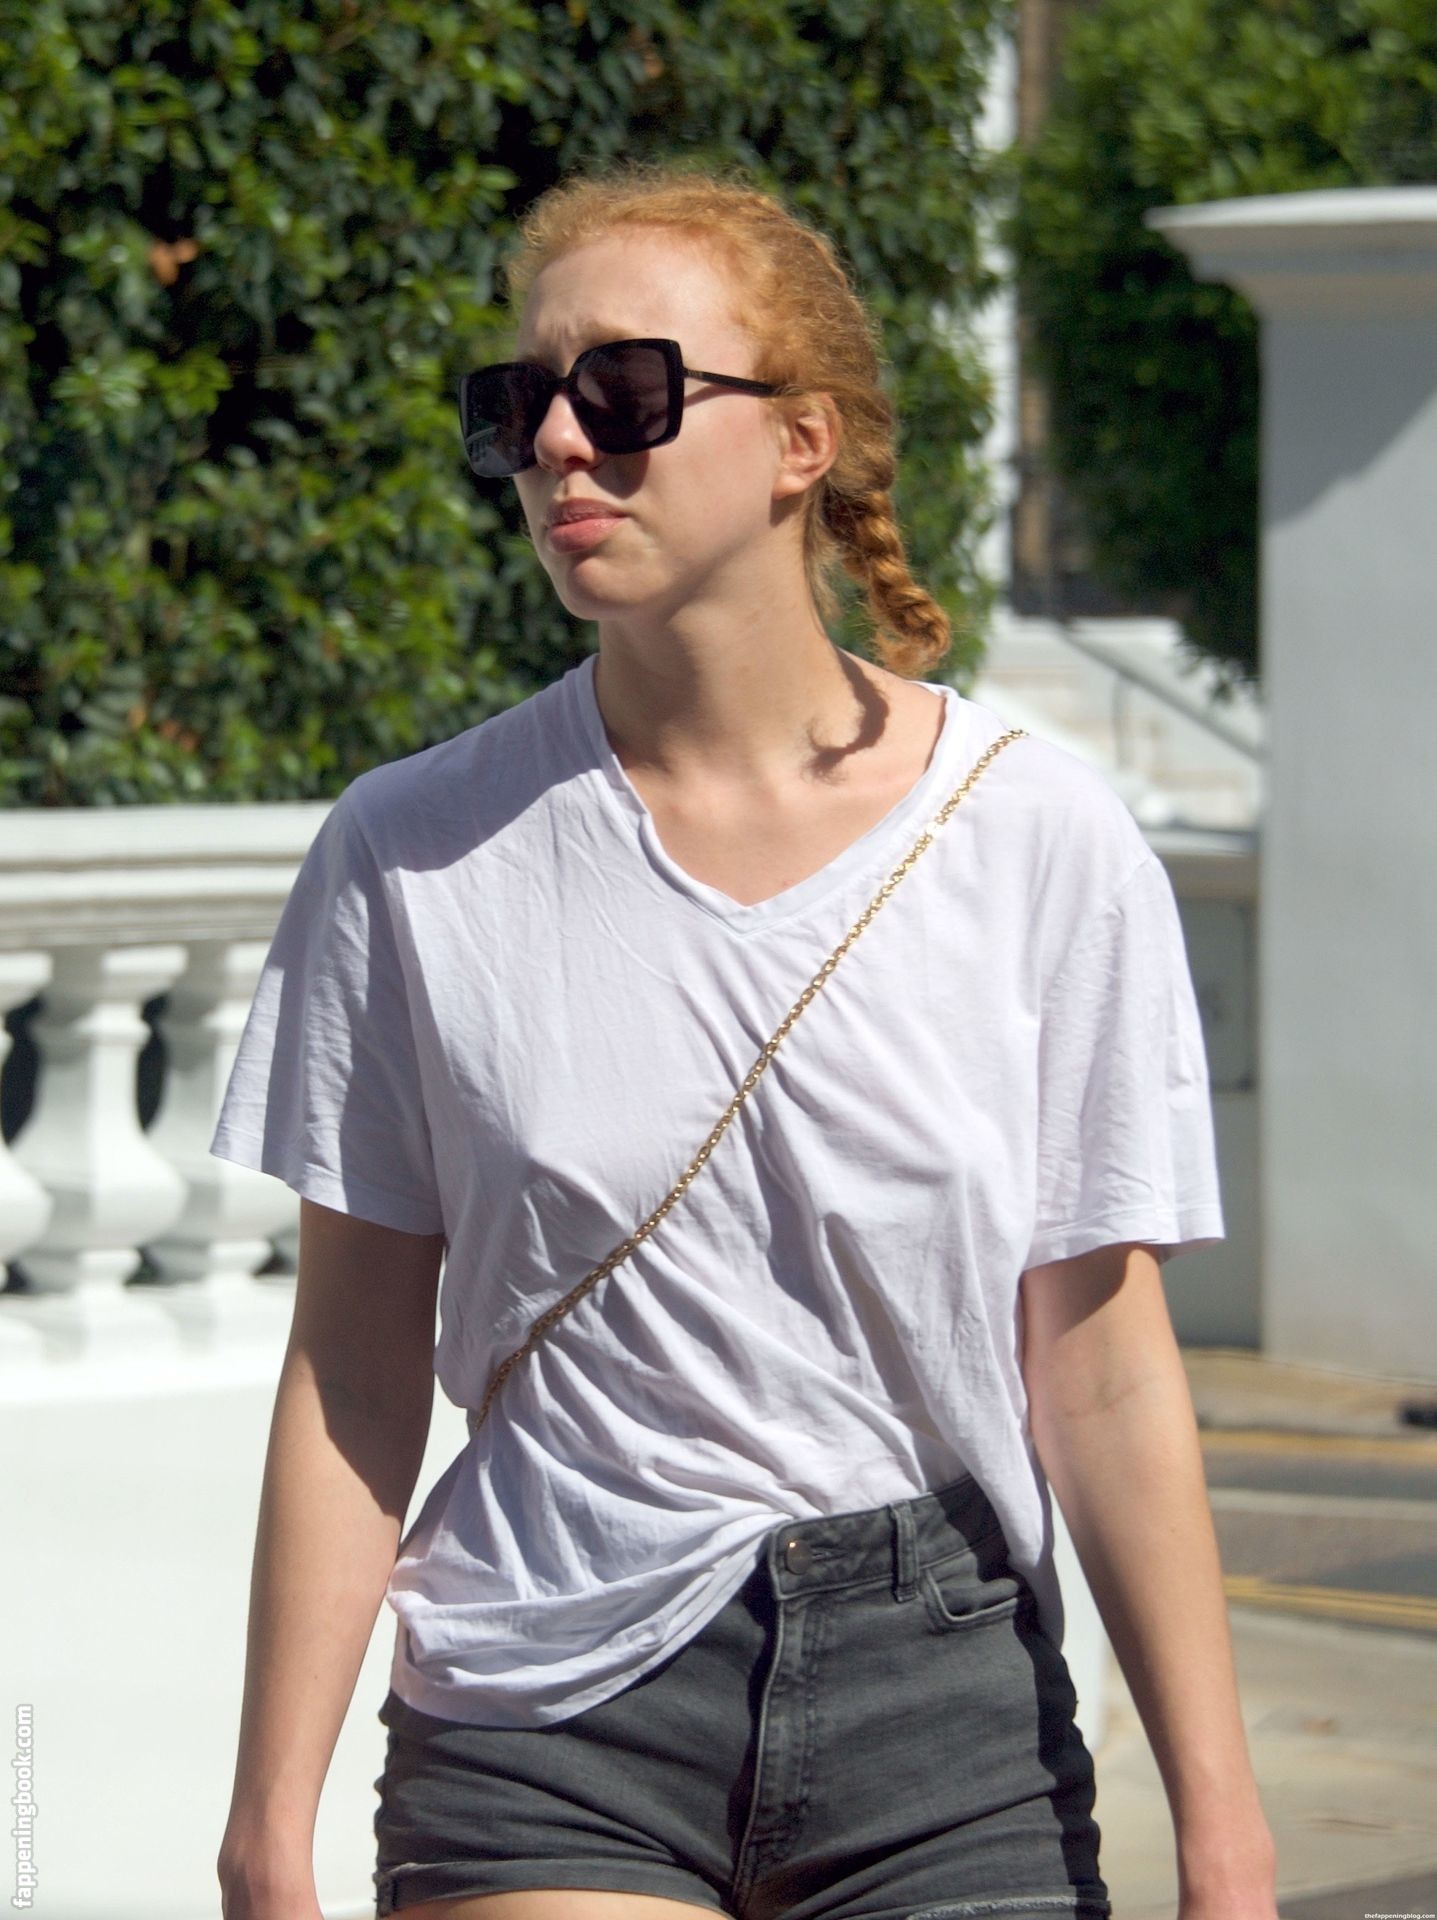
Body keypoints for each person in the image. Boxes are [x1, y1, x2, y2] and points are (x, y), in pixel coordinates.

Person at [212, 162, 1279, 1920]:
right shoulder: (412, 852)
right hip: (546, 1693)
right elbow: (354, 1363)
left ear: (801, 442)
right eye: (521, 402)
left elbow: (1097, 1368)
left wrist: (1222, 1836)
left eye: (625, 389)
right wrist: (267, 1822)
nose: (561, 442)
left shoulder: (1035, 840)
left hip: (944, 1698)